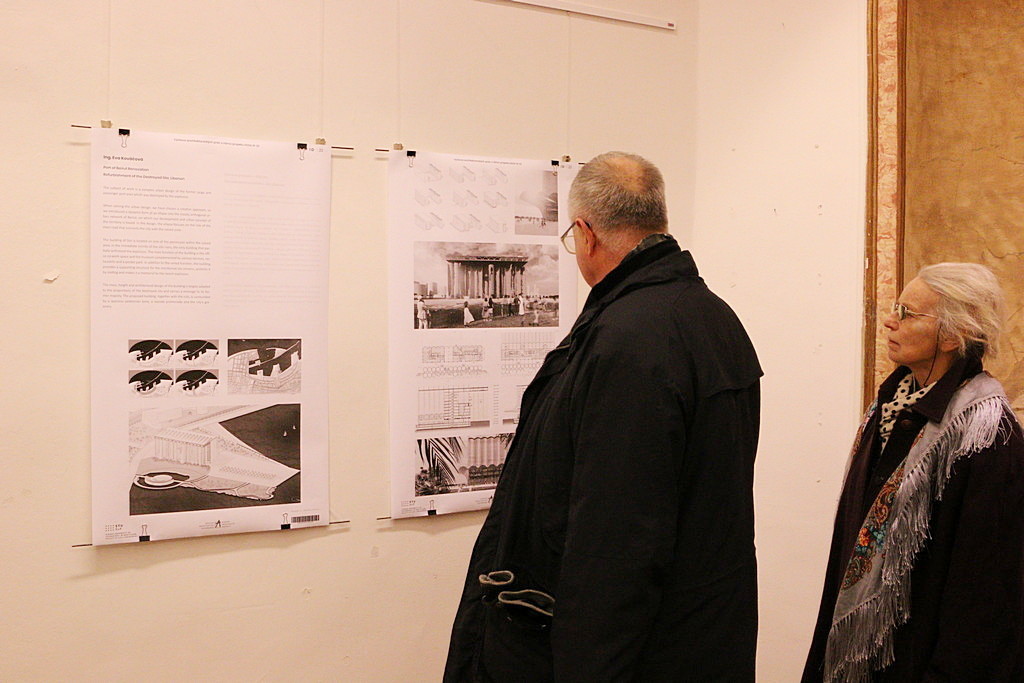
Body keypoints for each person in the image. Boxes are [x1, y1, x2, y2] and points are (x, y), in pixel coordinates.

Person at [444, 151, 763, 681]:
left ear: (585, 233)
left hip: (638, 655)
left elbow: (615, 544)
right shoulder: (714, 318)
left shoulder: (628, 340)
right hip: (700, 636)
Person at [802, 263, 1024, 682]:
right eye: (895, 308)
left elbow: (985, 595)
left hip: (921, 659)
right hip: (868, 657)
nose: (890, 321)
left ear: (954, 334)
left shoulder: (986, 434)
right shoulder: (889, 407)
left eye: (907, 313)